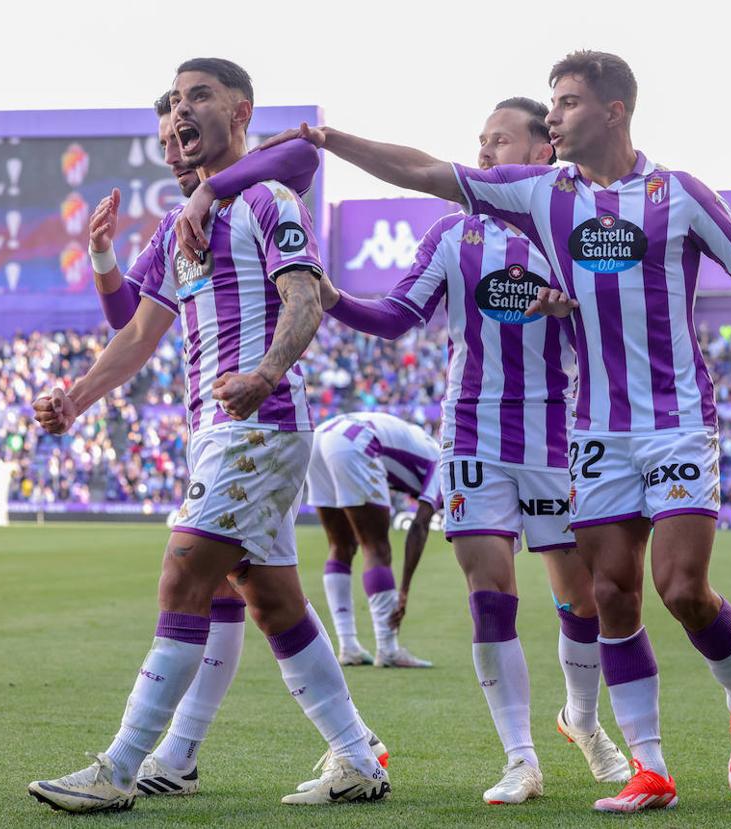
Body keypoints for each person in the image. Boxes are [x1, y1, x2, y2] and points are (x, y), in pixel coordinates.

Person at [241, 49, 731, 813]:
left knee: (682, 587)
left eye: (565, 102)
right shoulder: (539, 195)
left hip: (673, 420)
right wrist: (334, 141)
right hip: (590, 429)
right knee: (610, 591)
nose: (554, 113)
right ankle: (648, 766)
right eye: (551, 103)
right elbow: (426, 172)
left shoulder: (679, 194)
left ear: (613, 111)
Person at [184, 97, 631, 803]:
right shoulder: (454, 236)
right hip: (472, 436)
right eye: (479, 141)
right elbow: (396, 318)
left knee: (581, 599)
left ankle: (582, 719)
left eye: (500, 140)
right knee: (492, 595)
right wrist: (332, 297)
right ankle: (520, 757)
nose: (483, 152)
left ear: (543, 151)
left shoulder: (573, 231)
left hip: (555, 436)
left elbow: (615, 331)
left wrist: (571, 308)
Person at [28, 58, 389, 812]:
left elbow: (303, 301)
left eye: (198, 97)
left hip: (253, 426)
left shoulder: (266, 196)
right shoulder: (176, 227)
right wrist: (77, 399)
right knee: (272, 601)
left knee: (183, 578)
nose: (180, 117)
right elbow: (135, 335)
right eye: (170, 110)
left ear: (240, 110)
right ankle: (357, 756)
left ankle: (121, 767)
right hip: (214, 432)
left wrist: (261, 376)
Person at [307, 411, 438, 668]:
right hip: (357, 442)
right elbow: (419, 526)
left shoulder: (425, 445)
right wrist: (404, 590)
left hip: (319, 439)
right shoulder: (446, 464)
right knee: (376, 547)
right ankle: (388, 649)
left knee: (340, 546)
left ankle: (348, 646)